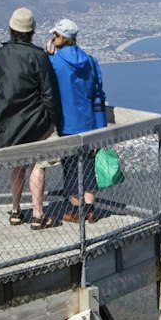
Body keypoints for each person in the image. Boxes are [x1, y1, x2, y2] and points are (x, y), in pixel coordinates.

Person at [0, 7, 60, 225]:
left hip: (11, 120)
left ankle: (15, 210)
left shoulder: (1, 53)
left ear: (11, 29)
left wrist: (5, 104)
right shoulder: (38, 56)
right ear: (32, 31)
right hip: (37, 120)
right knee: (39, 164)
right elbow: (48, 92)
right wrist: (54, 118)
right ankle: (38, 215)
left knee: (17, 165)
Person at [43, 17, 108, 223]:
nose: (52, 38)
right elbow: (98, 89)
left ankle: (75, 210)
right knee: (88, 164)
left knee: (70, 166)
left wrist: (47, 56)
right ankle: (90, 209)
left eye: (55, 35)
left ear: (62, 38)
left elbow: (47, 87)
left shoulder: (55, 61)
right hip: (89, 120)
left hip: (67, 121)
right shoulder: (89, 60)